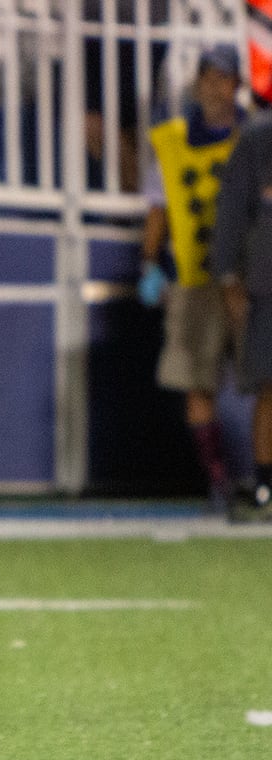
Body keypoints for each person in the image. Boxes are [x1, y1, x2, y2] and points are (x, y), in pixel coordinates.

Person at [139, 44, 245, 509]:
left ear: (236, 85)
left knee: (265, 379)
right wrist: (149, 263)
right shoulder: (171, 140)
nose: (215, 86)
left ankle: (260, 476)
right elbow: (158, 210)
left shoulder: (256, 135)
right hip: (193, 274)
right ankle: (218, 480)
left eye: (223, 78)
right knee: (195, 379)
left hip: (250, 278)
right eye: (208, 76)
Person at [211, 98, 272, 522]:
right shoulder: (257, 142)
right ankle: (266, 486)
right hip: (268, 286)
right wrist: (229, 276)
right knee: (270, 387)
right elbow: (231, 214)